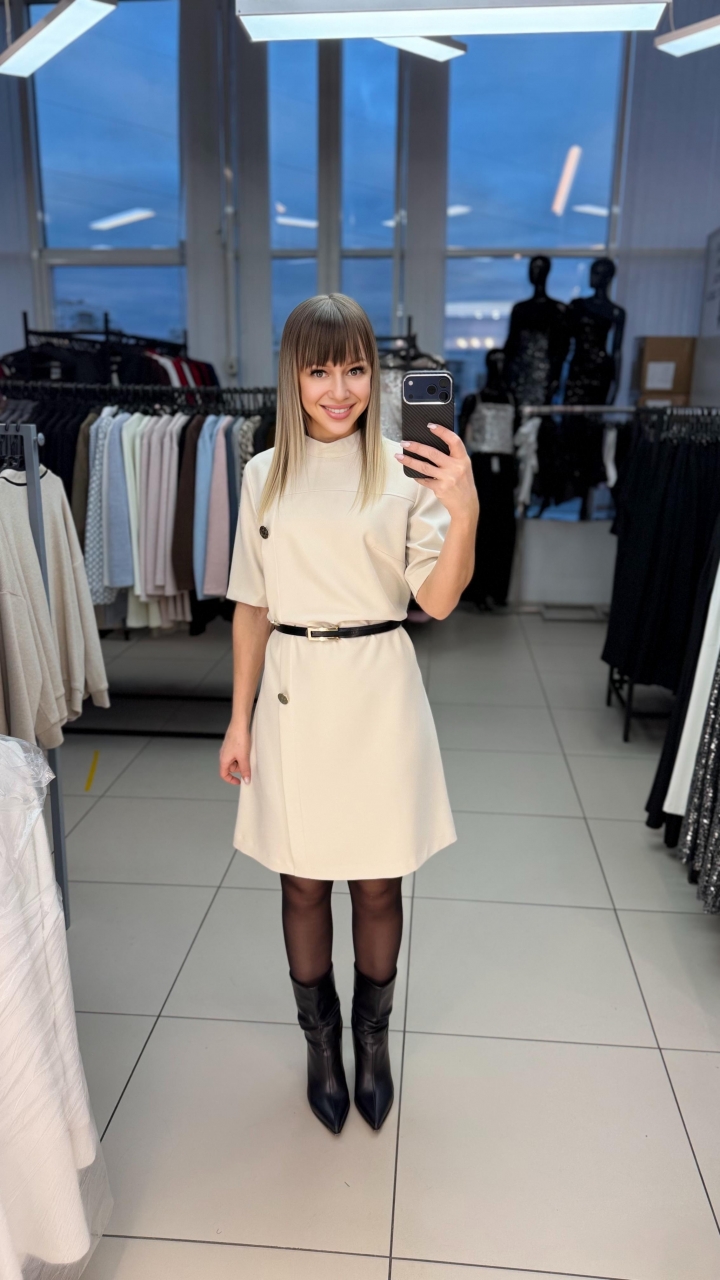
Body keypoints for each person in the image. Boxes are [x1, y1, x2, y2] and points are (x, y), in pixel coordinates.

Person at [219, 294, 479, 1135]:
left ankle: (372, 1043)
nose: (340, 390)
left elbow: (438, 600)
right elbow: (251, 606)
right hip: (294, 687)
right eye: (320, 370)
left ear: (377, 375)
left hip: (379, 686)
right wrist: (238, 720)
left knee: (376, 878)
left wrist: (465, 508)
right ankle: (321, 1045)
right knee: (302, 880)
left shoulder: (404, 470)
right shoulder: (262, 474)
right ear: (292, 376)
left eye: (357, 369)